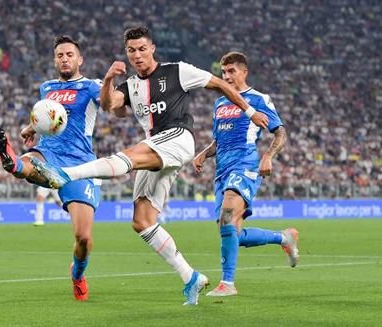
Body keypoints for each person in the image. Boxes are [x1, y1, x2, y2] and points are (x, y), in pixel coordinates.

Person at [31, 26, 269, 306]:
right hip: (155, 145)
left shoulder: (177, 71)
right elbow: (110, 105)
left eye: (142, 49)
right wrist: (108, 78)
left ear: (152, 48)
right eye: (131, 50)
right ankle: (190, 276)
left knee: (129, 155)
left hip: (179, 138)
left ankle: (64, 174)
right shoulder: (130, 85)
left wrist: (250, 111)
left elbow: (219, 84)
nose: (137, 55)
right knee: (142, 221)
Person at [0, 35, 102, 301]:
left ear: (80, 59)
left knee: (84, 239)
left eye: (69, 55)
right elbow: (48, 113)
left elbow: (112, 104)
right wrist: (32, 128)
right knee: (26, 164)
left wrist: (111, 86)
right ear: (55, 60)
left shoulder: (91, 87)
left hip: (81, 164)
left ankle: (77, 274)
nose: (64, 59)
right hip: (49, 152)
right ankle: (12, 161)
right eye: (60, 55)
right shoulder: (47, 87)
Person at [193, 52, 299, 296]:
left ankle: (227, 284)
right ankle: (284, 238)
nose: (227, 76)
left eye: (231, 71)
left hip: (245, 165)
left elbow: (280, 132)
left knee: (228, 214)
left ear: (244, 72)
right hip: (222, 170)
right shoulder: (219, 103)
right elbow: (219, 140)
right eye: (223, 72)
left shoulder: (259, 99)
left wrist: (268, 155)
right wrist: (204, 153)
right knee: (231, 232)